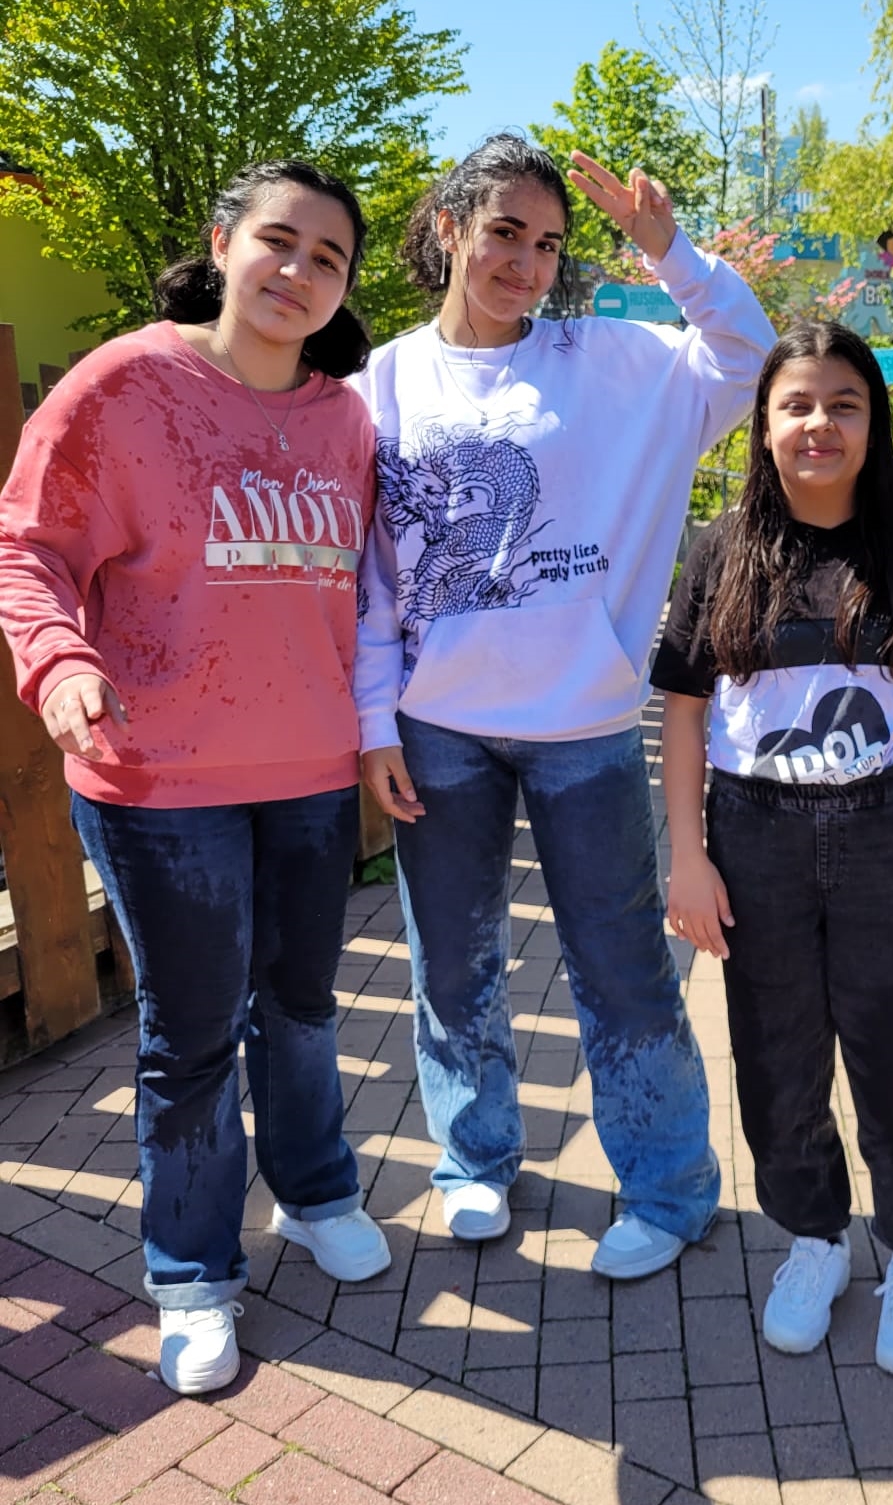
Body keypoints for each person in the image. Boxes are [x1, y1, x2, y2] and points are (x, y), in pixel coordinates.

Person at [0, 160, 391, 1395]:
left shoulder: (346, 419)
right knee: (192, 1032)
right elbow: (28, 547)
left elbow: (373, 584)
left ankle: (316, 1190)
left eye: (328, 258)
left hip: (311, 771)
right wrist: (60, 661)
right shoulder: (124, 384)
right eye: (279, 241)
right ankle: (191, 1270)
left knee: (304, 1003)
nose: (299, 271)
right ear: (223, 244)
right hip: (160, 782)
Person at [355, 132, 774, 1276]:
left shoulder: (613, 363)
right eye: (505, 233)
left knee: (622, 962)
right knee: (452, 962)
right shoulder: (379, 385)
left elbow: (750, 357)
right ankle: (474, 1156)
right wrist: (376, 721)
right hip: (439, 727)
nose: (527, 264)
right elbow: (370, 582)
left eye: (547, 244)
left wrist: (671, 251)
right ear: (449, 229)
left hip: (584, 726)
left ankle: (669, 1186)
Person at [652, 320, 893, 1375]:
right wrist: (688, 854)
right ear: (763, 424)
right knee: (777, 1053)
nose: (819, 423)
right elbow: (684, 713)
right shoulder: (721, 551)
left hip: (883, 828)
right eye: (796, 403)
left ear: (873, 420)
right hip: (754, 834)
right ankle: (815, 1237)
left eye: (844, 403)